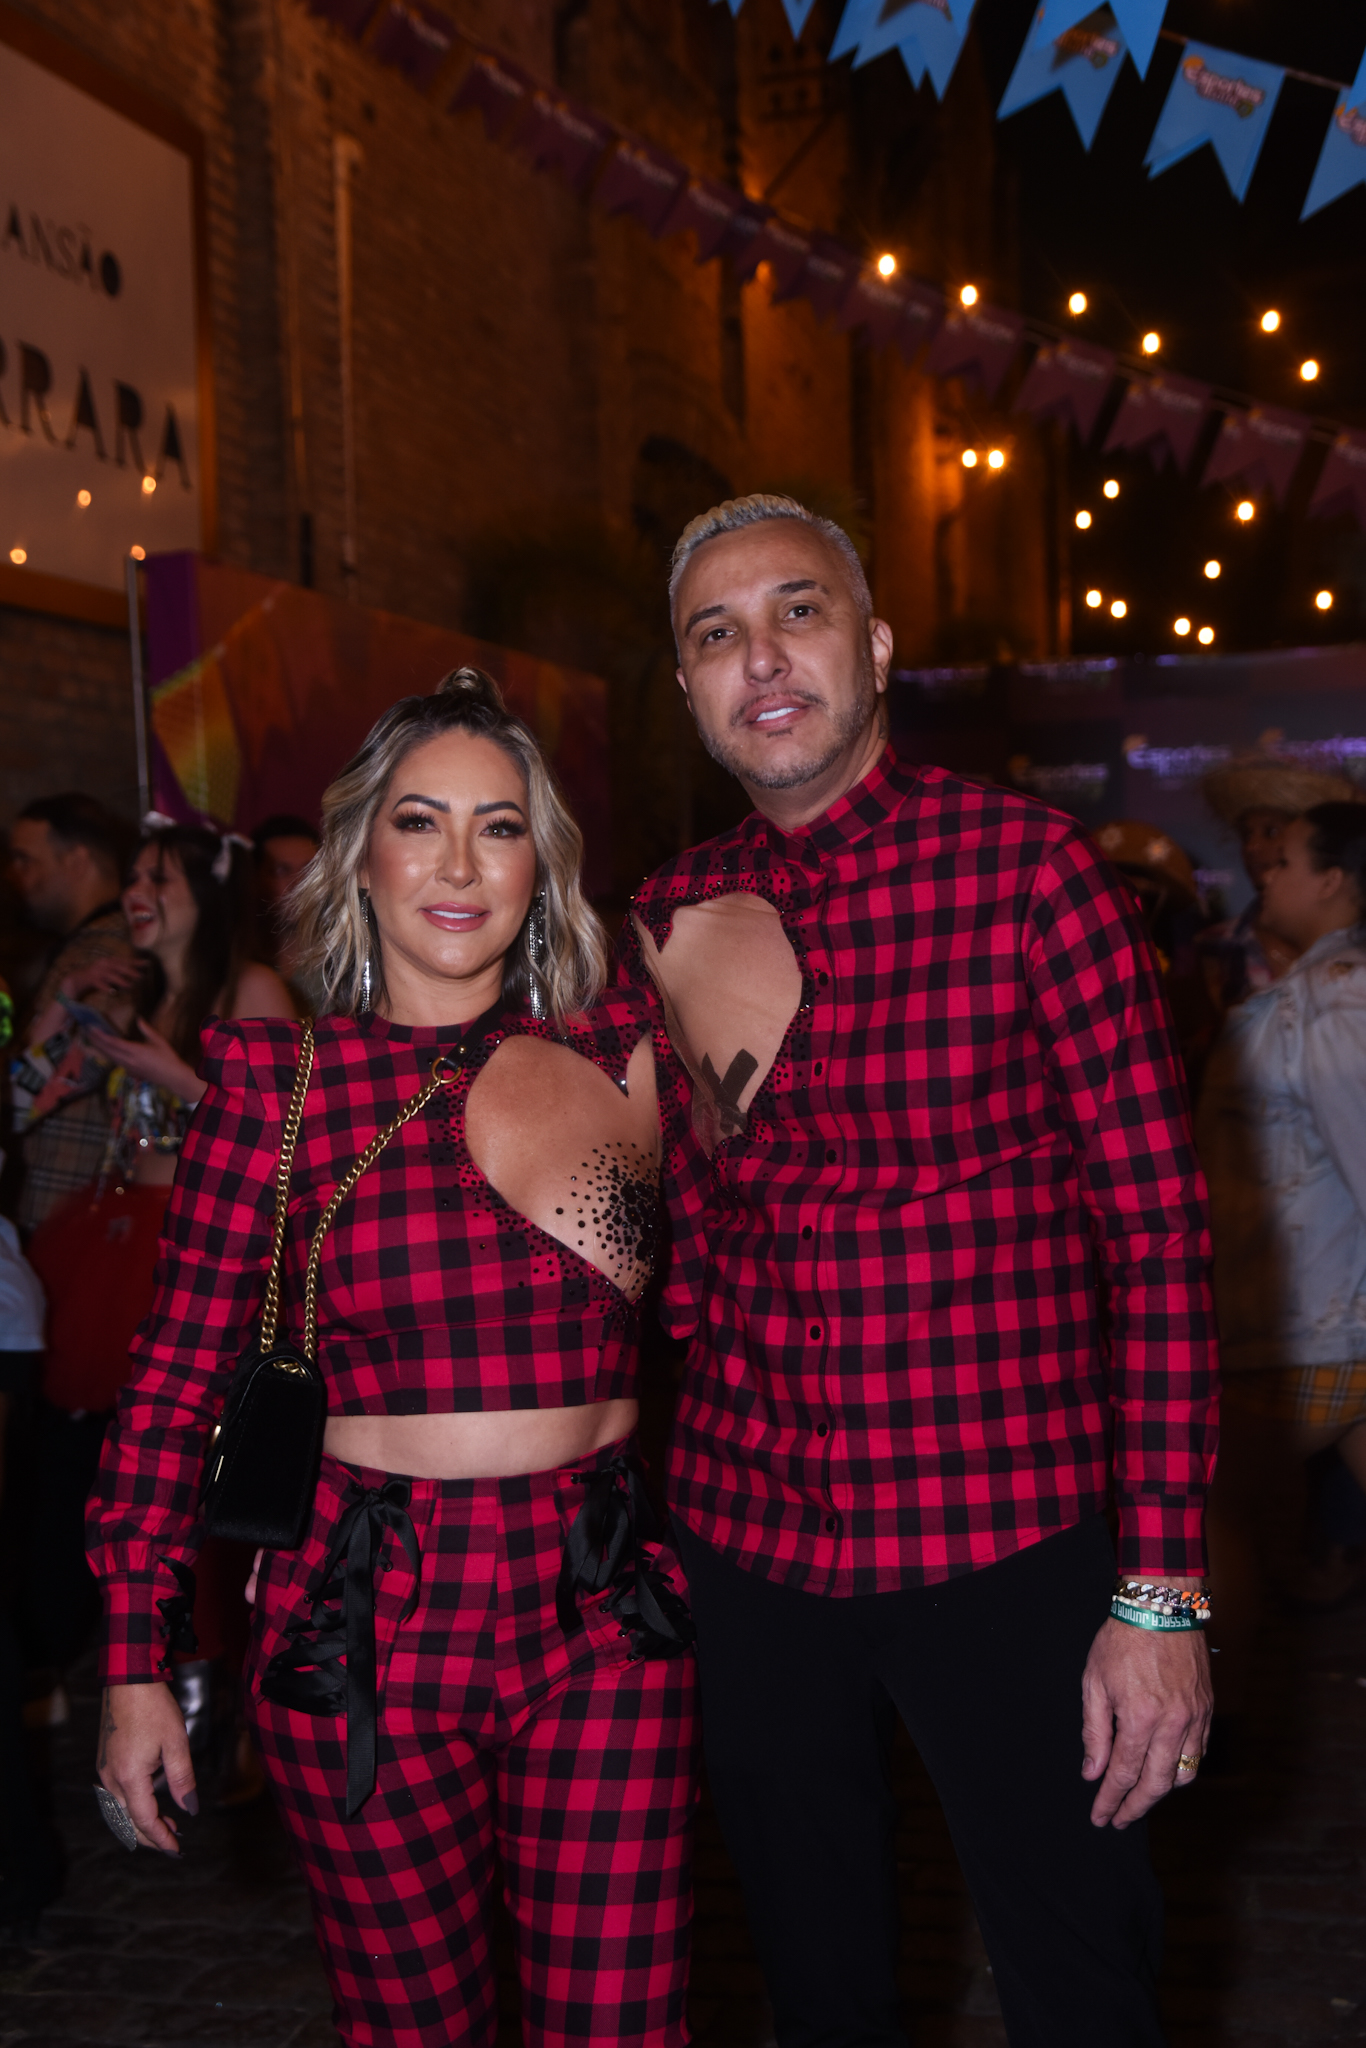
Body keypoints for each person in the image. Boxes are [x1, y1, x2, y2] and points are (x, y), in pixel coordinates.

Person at [616, 495, 1219, 2048]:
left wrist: (1156, 1596)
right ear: (686, 689)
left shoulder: (1031, 874)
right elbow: (654, 1244)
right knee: (819, 1987)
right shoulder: (664, 919)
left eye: (797, 612)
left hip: (1003, 1534)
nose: (760, 656)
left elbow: (1155, 1235)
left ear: (874, 647)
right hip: (750, 1543)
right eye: (714, 633)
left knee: (1078, 1977)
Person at [89, 671, 698, 2048]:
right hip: (364, 1614)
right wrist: (136, 1662)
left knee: (622, 2025)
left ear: (539, 864)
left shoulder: (623, 1045)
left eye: (498, 826)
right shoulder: (275, 1084)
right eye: (420, 822)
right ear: (361, 852)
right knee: (409, 2026)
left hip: (599, 1605)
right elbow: (175, 1386)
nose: (459, 863)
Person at [16, 824, 296, 1729]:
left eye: (154, 878)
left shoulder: (250, 989)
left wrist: (178, 1079)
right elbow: (29, 1098)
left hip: (208, 1244)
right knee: (113, 1463)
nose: (134, 892)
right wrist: (65, 1020)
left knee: (209, 1470)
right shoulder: (139, 990)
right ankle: (117, 1654)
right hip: (115, 1235)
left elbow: (296, 1137)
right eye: (130, 875)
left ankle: (211, 1671)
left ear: (204, 895)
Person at [1199, 802, 1366, 1729]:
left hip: (1301, 1325)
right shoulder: (1320, 994)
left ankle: (1198, 1721)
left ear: (1336, 880)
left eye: (1289, 860)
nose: (1268, 871)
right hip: (1316, 1319)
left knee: (1194, 1519)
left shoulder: (1337, 1001)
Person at [6, 793, 135, 1233]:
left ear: (78, 861)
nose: (16, 876)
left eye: (25, 860)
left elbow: (30, 1092)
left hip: (65, 1204)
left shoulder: (105, 954)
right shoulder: (84, 952)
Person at [1198, 757, 1357, 1017]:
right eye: (1246, 835)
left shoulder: (1355, 952)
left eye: (1271, 832)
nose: (1252, 847)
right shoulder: (1213, 946)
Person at [252, 812, 320, 993]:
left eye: (309, 871)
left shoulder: (348, 960)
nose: (298, 884)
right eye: (281, 870)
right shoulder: (236, 963)